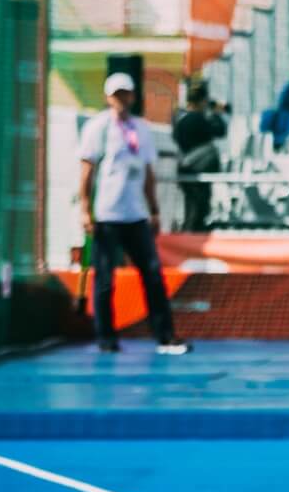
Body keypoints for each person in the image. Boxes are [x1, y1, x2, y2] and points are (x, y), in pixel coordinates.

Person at [78, 73, 190, 355]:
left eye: (125, 93)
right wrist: (85, 210)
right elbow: (87, 171)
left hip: (136, 215)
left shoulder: (141, 128)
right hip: (107, 215)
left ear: (132, 96)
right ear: (108, 97)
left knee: (152, 275)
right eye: (116, 94)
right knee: (105, 280)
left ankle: (165, 336)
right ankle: (106, 338)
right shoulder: (98, 128)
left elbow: (147, 172)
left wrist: (154, 209)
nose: (121, 99)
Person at [171, 84, 228, 233]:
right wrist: (216, 113)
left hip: (184, 169)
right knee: (198, 212)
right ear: (203, 100)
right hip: (199, 171)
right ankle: (192, 238)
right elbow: (220, 130)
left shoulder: (179, 118)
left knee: (189, 209)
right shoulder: (199, 119)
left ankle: (188, 235)